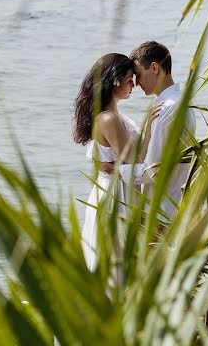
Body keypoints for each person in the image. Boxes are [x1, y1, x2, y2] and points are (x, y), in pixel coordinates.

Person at [73, 53, 159, 271]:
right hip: (115, 196)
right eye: (131, 78)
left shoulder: (114, 116)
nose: (134, 84)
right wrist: (150, 127)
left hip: (117, 189)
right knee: (116, 262)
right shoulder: (108, 119)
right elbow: (136, 161)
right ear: (116, 79)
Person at [101, 41, 195, 222]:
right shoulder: (182, 101)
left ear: (154, 68)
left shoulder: (165, 109)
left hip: (161, 211)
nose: (136, 83)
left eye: (137, 74)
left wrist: (116, 170)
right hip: (175, 203)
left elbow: (153, 171)